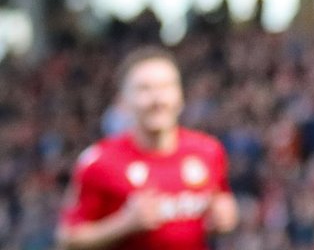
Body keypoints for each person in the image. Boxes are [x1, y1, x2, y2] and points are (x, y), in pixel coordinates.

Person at [57, 47, 238, 250]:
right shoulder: (99, 162)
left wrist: (225, 217)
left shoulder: (208, 151)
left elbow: (222, 202)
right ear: (123, 101)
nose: (157, 100)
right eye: (144, 89)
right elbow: (67, 241)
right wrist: (123, 224)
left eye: (166, 87)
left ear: (180, 96)